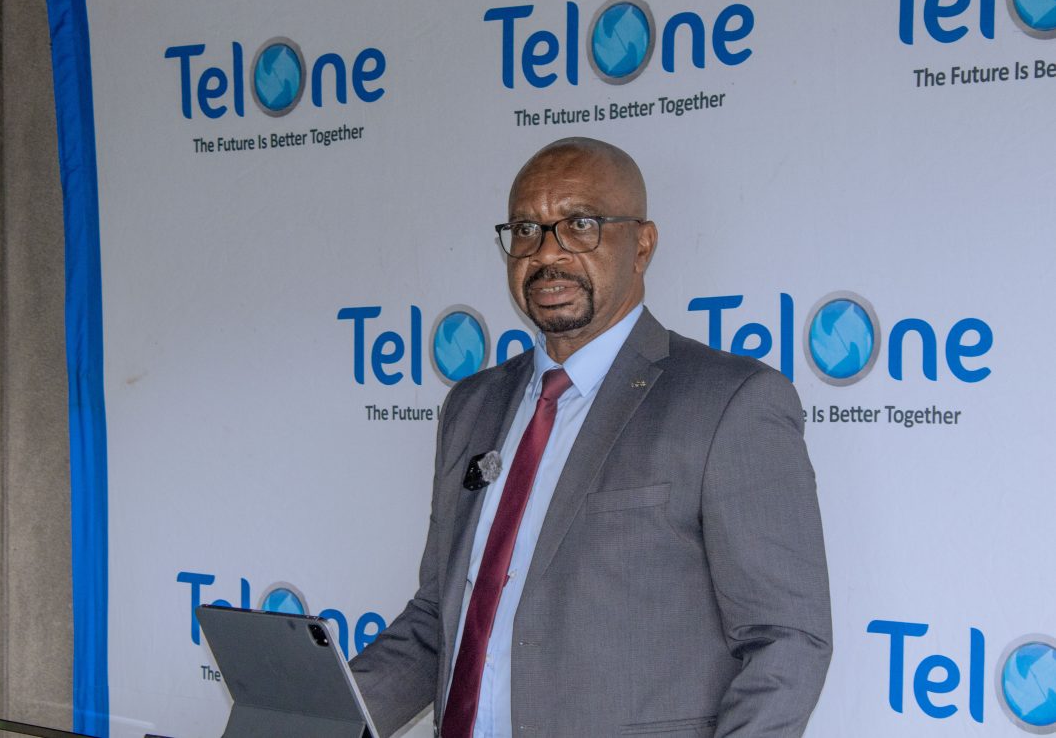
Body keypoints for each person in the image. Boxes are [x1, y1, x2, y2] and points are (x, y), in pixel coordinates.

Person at [350, 137, 832, 737]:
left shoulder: (728, 403)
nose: (547, 253)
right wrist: (313, 719)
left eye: (579, 224)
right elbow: (438, 620)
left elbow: (786, 641)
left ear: (642, 244)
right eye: (526, 229)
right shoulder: (470, 406)